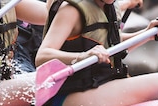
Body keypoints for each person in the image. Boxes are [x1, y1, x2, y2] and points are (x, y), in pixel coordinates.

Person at [34, 0, 158, 106]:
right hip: (71, 98)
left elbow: (113, 45)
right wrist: (82, 56)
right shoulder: (71, 10)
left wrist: (147, 34)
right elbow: (42, 56)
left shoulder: (110, 7)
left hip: (102, 85)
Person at [14, 0, 144, 73]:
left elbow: (92, 13)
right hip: (21, 60)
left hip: (35, 54)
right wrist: (126, 3)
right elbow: (52, 14)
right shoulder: (71, 11)